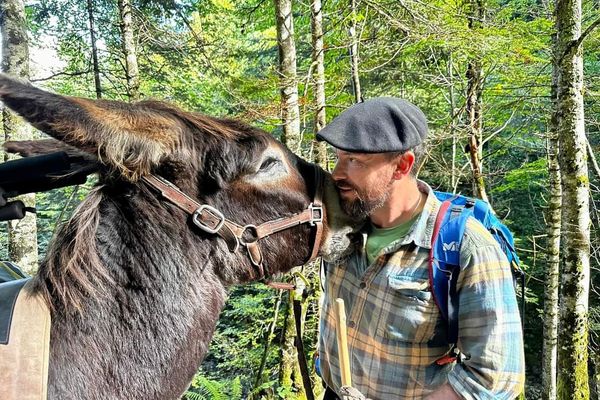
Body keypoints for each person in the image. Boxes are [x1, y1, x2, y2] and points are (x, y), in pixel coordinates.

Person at [315, 98, 525, 400]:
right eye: (337, 158)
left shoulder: (466, 248)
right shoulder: (342, 223)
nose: (336, 173)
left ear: (402, 165)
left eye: (354, 161)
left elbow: (495, 378)